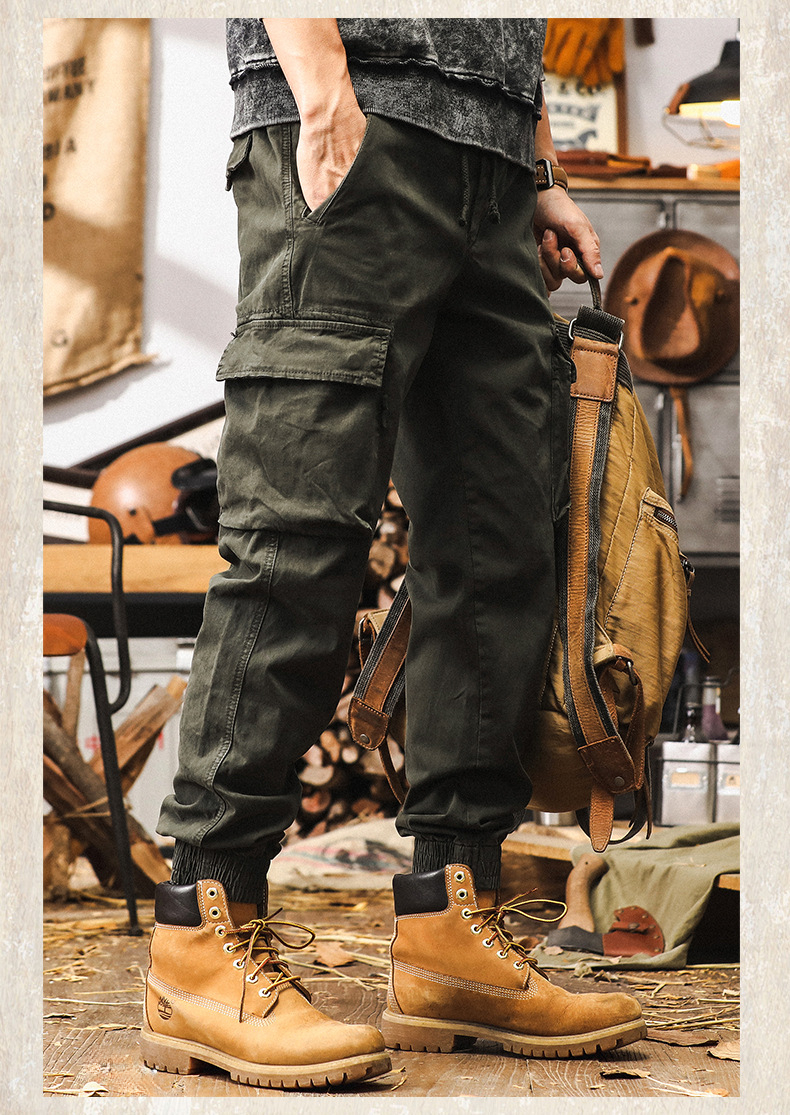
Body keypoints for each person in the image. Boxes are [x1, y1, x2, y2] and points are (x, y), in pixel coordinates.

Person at [142, 17, 645, 1089]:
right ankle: (200, 931)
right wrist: (322, 85)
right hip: (357, 120)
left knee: (499, 545)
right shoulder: (331, 102)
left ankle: (450, 928)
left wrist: (538, 162)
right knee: (298, 533)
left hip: (493, 167)